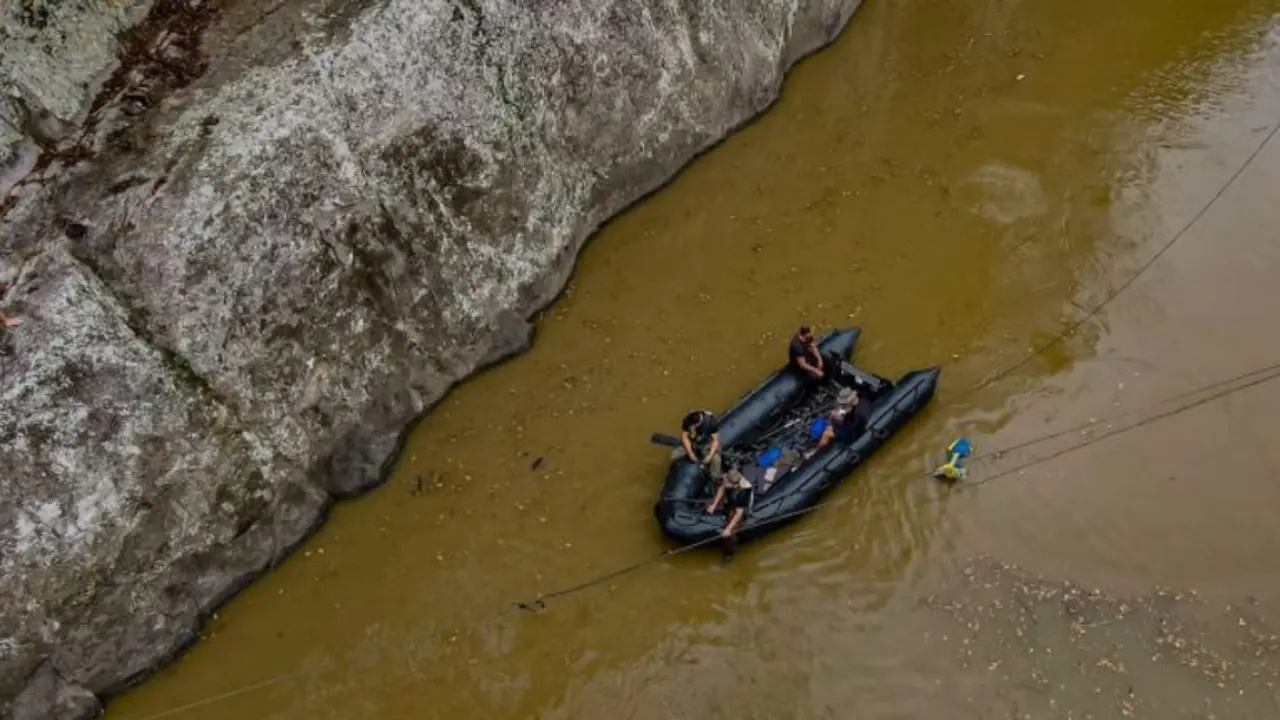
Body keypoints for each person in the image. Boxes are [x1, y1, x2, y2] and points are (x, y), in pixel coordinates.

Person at [810, 387, 867, 456]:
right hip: (852, 426)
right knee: (830, 423)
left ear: (849, 401)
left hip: (853, 433)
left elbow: (852, 425)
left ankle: (816, 453)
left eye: (844, 402)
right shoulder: (860, 402)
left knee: (826, 433)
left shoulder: (857, 411)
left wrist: (839, 420)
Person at [706, 467, 752, 538]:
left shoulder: (743, 492)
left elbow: (739, 513)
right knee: (708, 505)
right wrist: (714, 505)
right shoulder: (730, 478)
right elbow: (722, 487)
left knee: (731, 529)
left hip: (741, 506)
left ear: (734, 485)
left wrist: (728, 529)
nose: (725, 482)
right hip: (732, 495)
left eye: (727, 482)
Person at [680, 409, 722, 481]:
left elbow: (715, 440)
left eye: (694, 425)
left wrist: (710, 456)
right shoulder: (687, 420)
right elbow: (684, 436)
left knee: (716, 460)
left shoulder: (711, 422)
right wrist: (690, 453)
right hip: (693, 442)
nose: (692, 427)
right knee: (674, 455)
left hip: (706, 443)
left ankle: (714, 478)